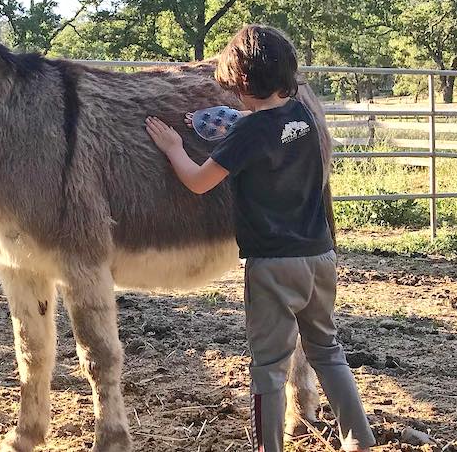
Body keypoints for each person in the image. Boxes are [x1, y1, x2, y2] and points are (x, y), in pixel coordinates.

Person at [145, 25, 376, 452]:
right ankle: (359, 438)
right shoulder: (304, 117)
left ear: (242, 83)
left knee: (268, 368)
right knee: (327, 350)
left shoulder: (247, 133)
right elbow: (273, 129)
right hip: (319, 257)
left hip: (272, 266)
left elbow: (199, 182)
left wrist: (174, 146)